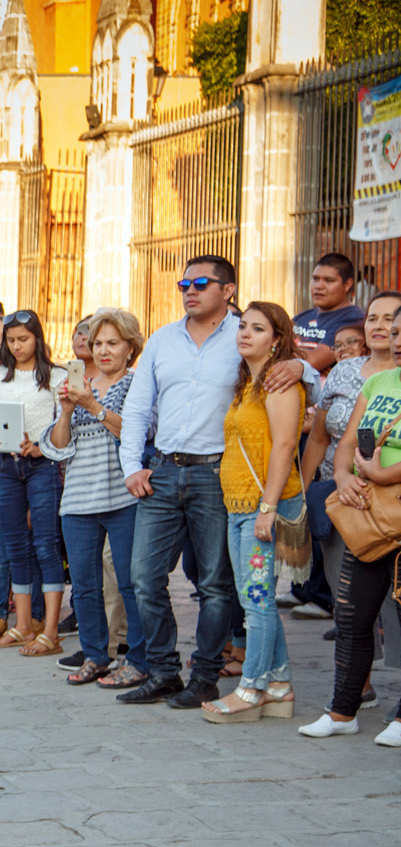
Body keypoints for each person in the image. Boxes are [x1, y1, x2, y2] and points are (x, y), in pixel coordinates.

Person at [118, 254, 314, 707]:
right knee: (143, 577)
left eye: (201, 282)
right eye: (183, 283)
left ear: (227, 291)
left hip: (217, 477)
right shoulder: (163, 341)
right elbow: (137, 408)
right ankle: (164, 670)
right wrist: (132, 465)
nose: (189, 290)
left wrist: (303, 368)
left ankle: (205, 676)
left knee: (216, 585)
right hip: (162, 471)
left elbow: (306, 377)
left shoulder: (248, 334)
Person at [198, 302, 306, 722]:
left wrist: (268, 508)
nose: (244, 333)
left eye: (258, 329)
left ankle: (252, 688)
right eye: (242, 326)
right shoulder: (249, 384)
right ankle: (279, 684)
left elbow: (283, 448)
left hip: (263, 506)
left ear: (277, 340)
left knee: (257, 601)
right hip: (239, 506)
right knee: (251, 598)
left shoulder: (280, 386)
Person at [301, 309, 401, 746]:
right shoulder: (378, 382)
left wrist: (378, 475)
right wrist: (344, 478)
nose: (395, 338)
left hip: (389, 498)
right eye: (392, 331)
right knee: (352, 613)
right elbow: (345, 442)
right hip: (369, 512)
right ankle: (342, 710)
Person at [43, 307, 147, 685]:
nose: (103, 350)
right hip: (78, 500)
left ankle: (138, 658)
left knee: (129, 583)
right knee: (84, 586)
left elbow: (135, 432)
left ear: (130, 347)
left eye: (112, 343)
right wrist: (68, 411)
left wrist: (92, 406)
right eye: (97, 342)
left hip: (123, 498)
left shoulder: (135, 384)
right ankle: (94, 655)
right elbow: (58, 447)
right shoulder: (77, 386)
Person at [0, 309, 68, 656]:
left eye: (23, 340)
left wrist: (41, 448)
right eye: (10, 341)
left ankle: (51, 631)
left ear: (38, 339)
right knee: (13, 546)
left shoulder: (56, 377)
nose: (16, 346)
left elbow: (64, 430)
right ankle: (23, 625)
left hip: (41, 467)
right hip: (5, 467)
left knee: (45, 544)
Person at [293, 252, 365, 374]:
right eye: (315, 279)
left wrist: (281, 354)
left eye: (329, 280)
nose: (319, 286)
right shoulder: (302, 316)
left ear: (347, 284)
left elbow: (312, 362)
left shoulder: (353, 319)